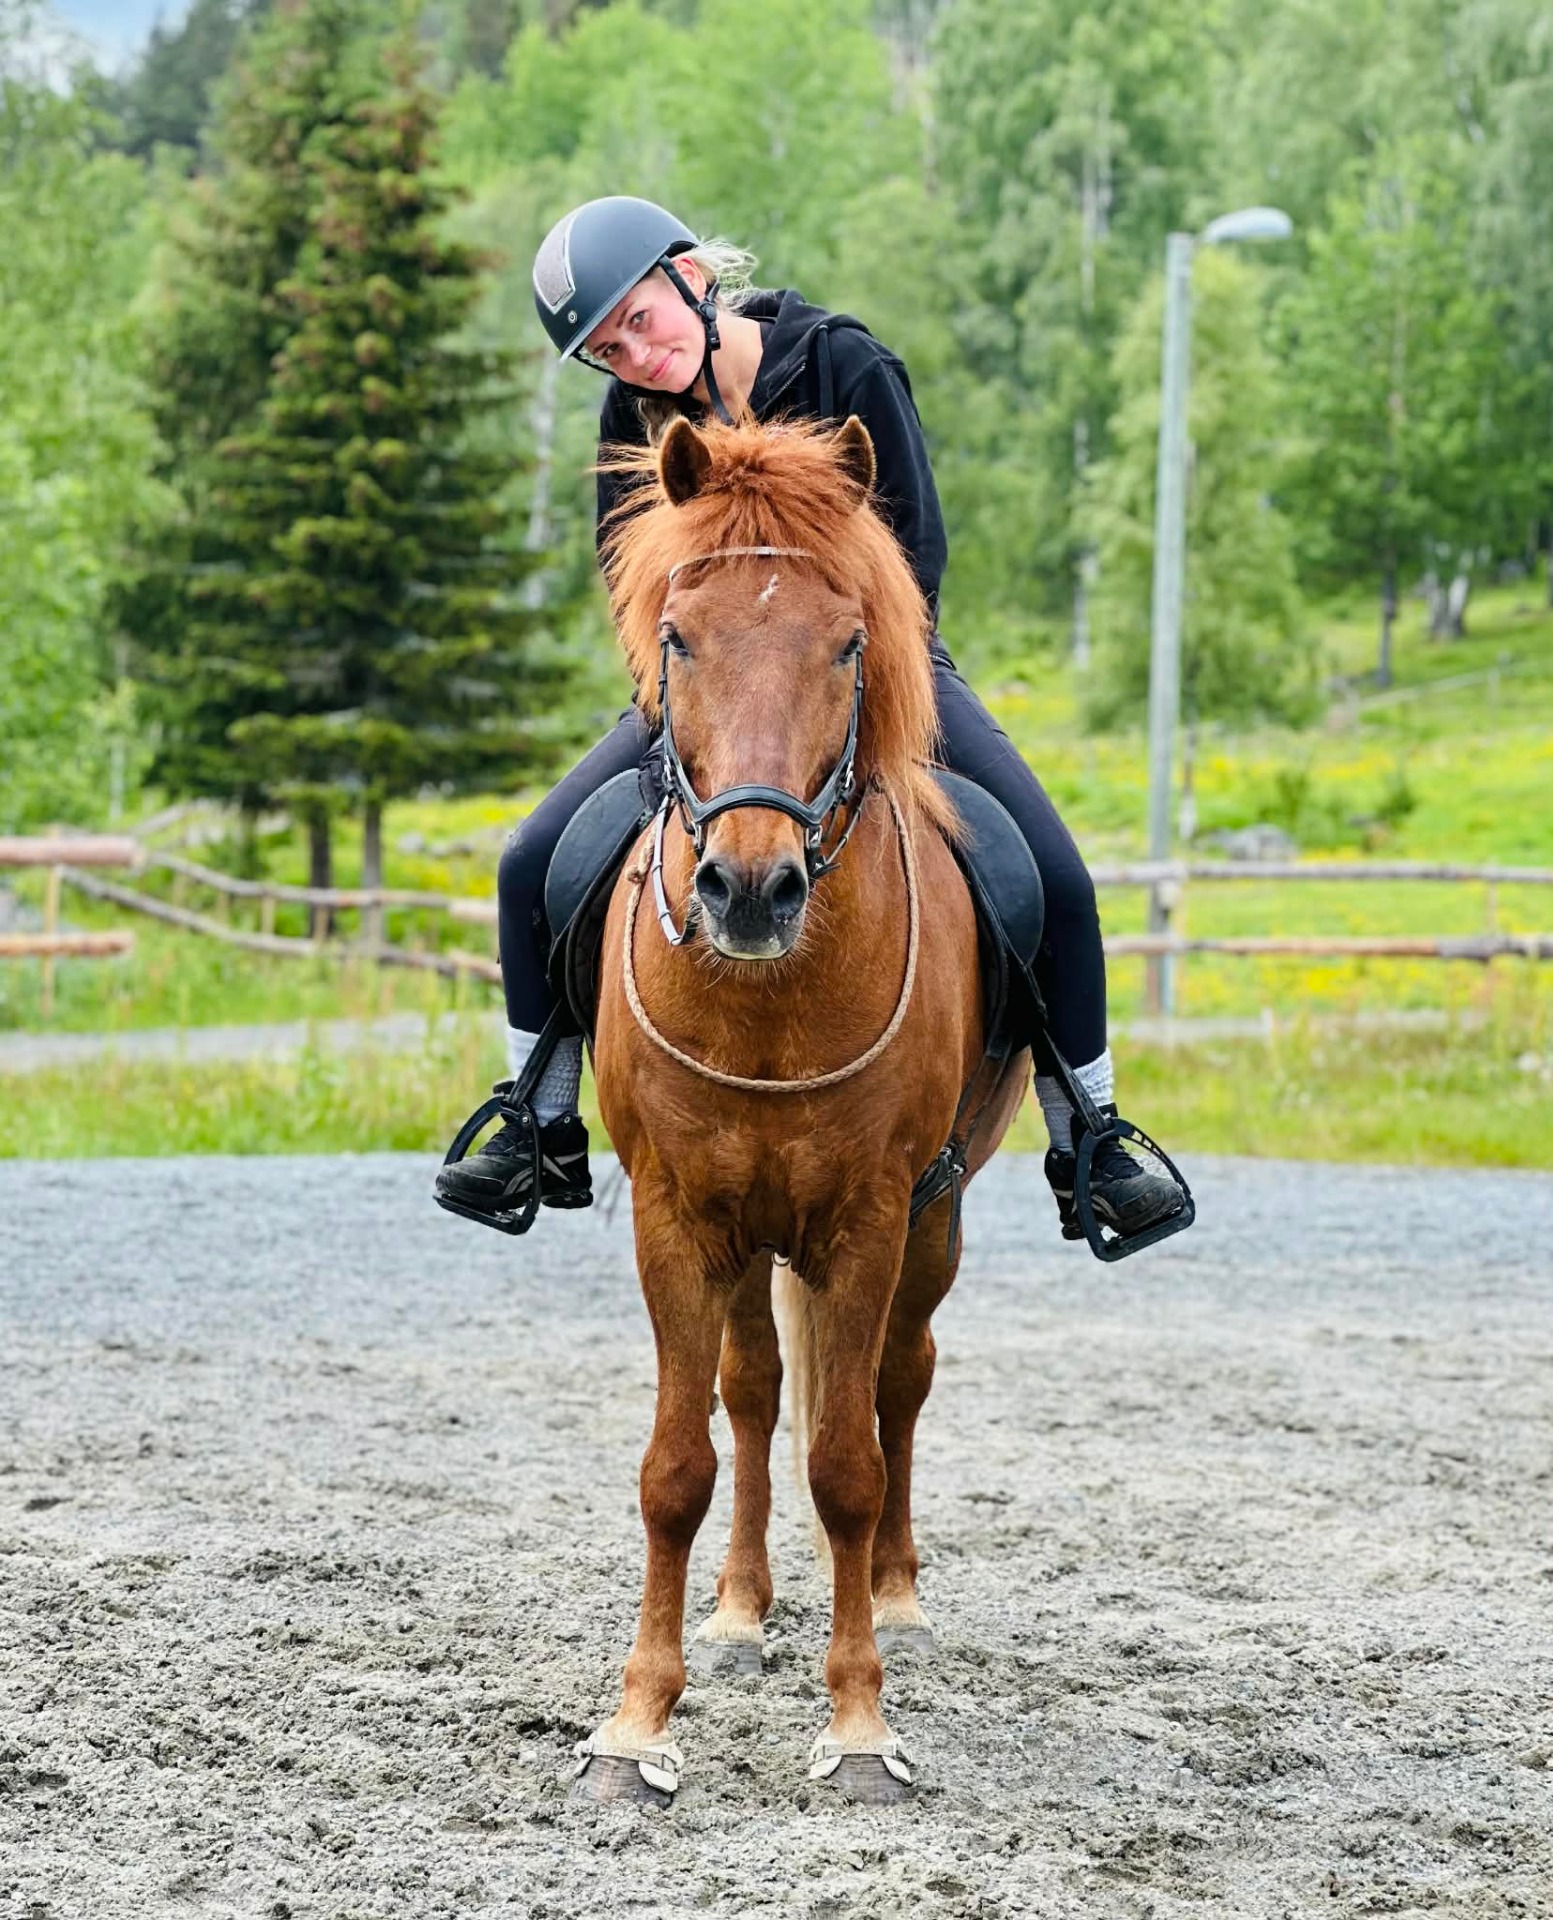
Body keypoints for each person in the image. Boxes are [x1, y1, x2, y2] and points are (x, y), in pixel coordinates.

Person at [435, 195, 1184, 1244]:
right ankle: (536, 1117)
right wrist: (691, 698)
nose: (633, 359)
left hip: (873, 671)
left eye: (637, 323)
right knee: (530, 862)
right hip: (698, 697)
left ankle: (1088, 1133)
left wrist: (840, 680)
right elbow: (631, 594)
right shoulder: (640, 425)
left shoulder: (842, 365)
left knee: (1053, 874)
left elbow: (913, 557)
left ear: (689, 278)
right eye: (607, 351)